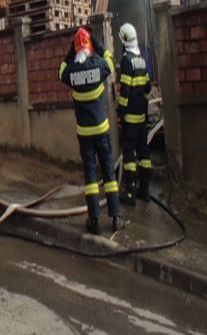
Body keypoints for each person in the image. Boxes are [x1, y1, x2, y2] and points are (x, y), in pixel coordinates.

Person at [60, 27, 123, 235]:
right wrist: (97, 43)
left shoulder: (72, 73)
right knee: (108, 172)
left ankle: (93, 218)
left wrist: (71, 50)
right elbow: (111, 61)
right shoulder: (99, 66)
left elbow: (61, 70)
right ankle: (116, 217)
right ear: (90, 47)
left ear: (76, 48)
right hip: (102, 131)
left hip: (84, 134)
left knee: (90, 174)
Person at [116, 23, 152, 204]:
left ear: (123, 40)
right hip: (142, 116)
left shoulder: (126, 61)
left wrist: (120, 112)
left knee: (129, 153)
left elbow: (124, 91)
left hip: (130, 117)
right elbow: (148, 88)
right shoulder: (142, 60)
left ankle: (129, 193)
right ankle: (144, 190)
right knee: (144, 152)